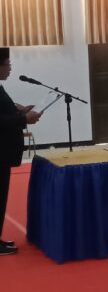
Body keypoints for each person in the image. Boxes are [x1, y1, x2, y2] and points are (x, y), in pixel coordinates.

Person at [0, 47, 42, 256]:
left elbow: (5, 111)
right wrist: (24, 118)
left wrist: (19, 110)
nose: (10, 68)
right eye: (7, 64)